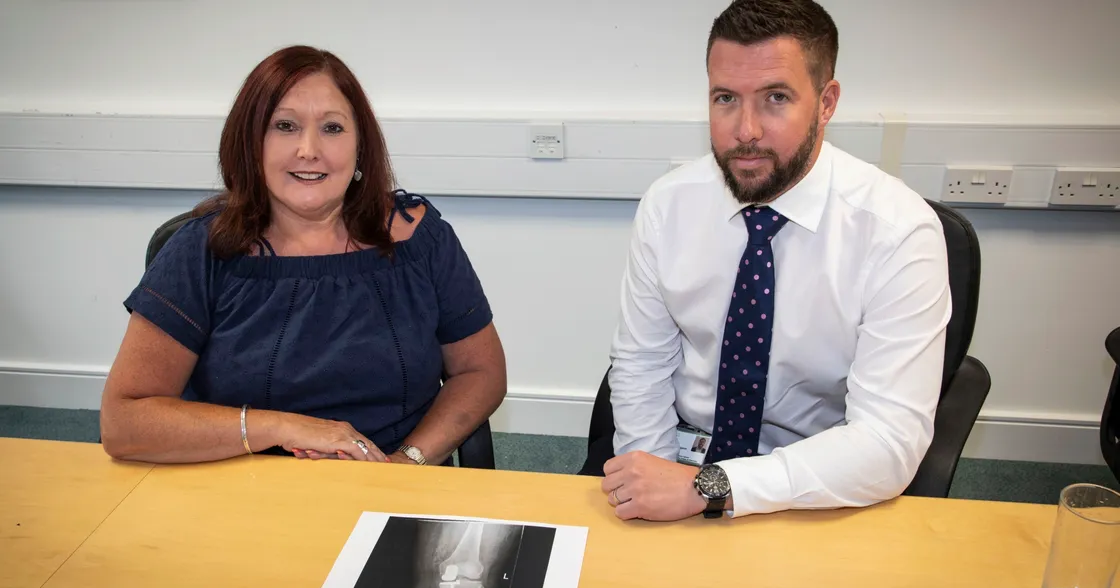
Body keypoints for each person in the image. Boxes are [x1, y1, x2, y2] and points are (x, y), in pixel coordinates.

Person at [594, 0, 951, 521]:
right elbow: (641, 364)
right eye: (725, 99)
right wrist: (652, 476)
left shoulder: (898, 231)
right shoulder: (669, 205)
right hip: (678, 455)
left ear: (826, 103)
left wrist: (710, 488)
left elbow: (887, 440)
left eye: (775, 98)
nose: (745, 130)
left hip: (813, 480)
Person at [100, 46, 506, 466]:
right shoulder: (201, 251)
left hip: (390, 481)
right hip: (240, 484)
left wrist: (408, 461)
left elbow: (481, 372)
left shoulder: (420, 240)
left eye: (332, 128)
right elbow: (123, 421)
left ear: (360, 146)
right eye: (285, 126)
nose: (309, 149)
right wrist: (281, 426)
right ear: (250, 141)